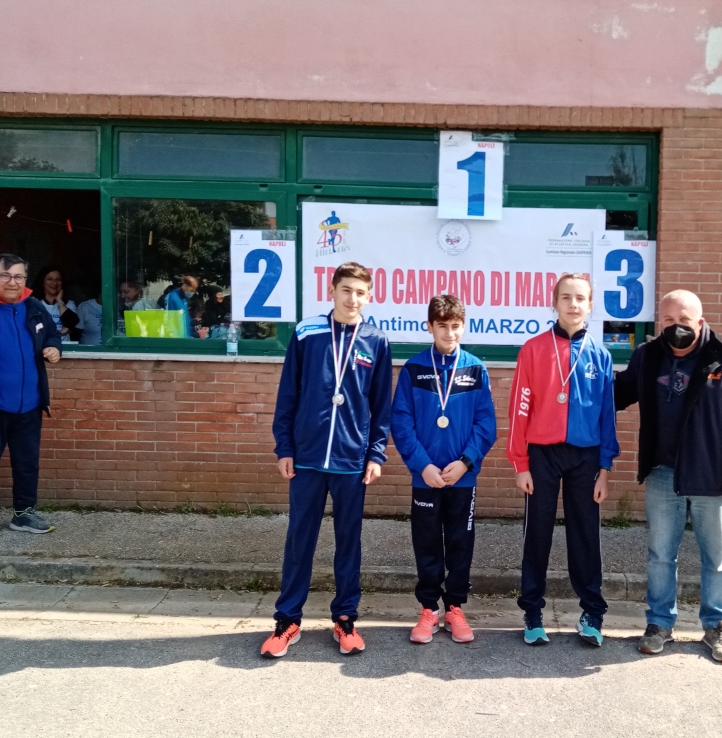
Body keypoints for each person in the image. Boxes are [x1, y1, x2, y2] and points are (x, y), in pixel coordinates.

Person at [614, 290, 722, 664]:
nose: (675, 327)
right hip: (662, 475)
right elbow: (616, 395)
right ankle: (659, 624)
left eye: (683, 320)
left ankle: (716, 626)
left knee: (716, 557)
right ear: (659, 323)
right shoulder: (647, 357)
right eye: (668, 320)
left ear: (700, 322)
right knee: (660, 556)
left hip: (711, 476)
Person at [261, 261, 392, 659]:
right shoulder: (307, 332)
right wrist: (284, 447)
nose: (353, 299)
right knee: (299, 541)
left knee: (348, 543)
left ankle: (345, 619)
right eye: (346, 290)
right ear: (331, 290)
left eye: (361, 292)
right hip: (307, 458)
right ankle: (287, 620)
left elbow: (381, 406)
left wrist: (376, 453)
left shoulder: (376, 341)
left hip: (352, 460)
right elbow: (288, 393)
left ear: (369, 297)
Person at [507, 273, 619, 647]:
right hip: (542, 455)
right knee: (537, 533)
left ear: (590, 305)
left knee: (585, 534)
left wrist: (605, 468)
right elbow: (519, 409)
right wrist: (520, 463)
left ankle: (592, 613)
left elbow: (607, 416)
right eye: (566, 297)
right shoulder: (533, 349)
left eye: (580, 298)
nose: (573, 304)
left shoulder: (600, 355)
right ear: (554, 303)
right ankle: (532, 612)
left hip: (586, 457)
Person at [392, 295, 497, 645]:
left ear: (463, 326)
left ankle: (454, 608)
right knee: (426, 543)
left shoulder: (476, 369)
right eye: (442, 326)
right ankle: (428, 609)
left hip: (461, 477)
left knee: (460, 542)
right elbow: (401, 423)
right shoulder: (413, 369)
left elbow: (486, 424)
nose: (449, 333)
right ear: (430, 327)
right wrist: (422, 465)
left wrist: (466, 462)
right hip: (425, 477)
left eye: (455, 326)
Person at [0, 254, 62, 537]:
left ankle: (24, 514)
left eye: (18, 277)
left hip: (30, 404)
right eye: (5, 275)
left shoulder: (33, 306)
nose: (12, 282)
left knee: (27, 462)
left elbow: (53, 334)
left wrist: (54, 348)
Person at [32, 266, 78, 343]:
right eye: (49, 279)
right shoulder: (33, 302)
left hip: (64, 347)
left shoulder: (69, 304)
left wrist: (60, 301)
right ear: (42, 282)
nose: (54, 283)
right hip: (41, 346)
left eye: (58, 279)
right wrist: (58, 332)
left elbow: (69, 326)